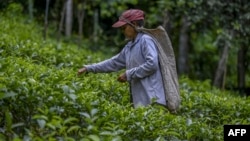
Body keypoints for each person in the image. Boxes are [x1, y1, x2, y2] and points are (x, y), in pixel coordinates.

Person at [78, 9, 167, 108]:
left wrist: (128, 74)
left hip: (153, 100)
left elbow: (152, 64)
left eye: (124, 28)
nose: (122, 31)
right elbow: (113, 62)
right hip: (141, 103)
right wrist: (89, 68)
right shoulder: (129, 46)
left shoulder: (146, 40)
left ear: (134, 24)